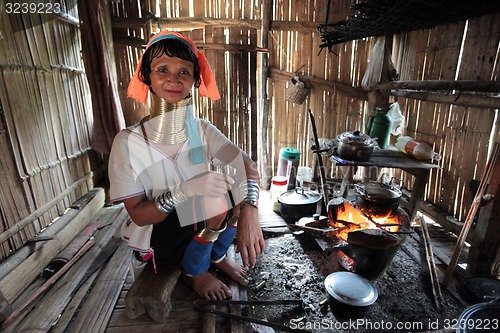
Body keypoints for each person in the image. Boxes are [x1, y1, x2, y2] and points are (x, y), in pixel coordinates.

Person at [108, 31, 265, 300]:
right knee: (216, 196)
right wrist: (186, 190)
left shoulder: (200, 130)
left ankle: (215, 258)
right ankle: (195, 272)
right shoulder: (128, 143)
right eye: (163, 69)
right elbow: (140, 215)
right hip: (159, 236)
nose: (173, 78)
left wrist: (250, 209)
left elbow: (246, 165)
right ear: (147, 76)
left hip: (200, 222)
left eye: (184, 71)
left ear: (194, 80)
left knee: (235, 189)